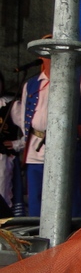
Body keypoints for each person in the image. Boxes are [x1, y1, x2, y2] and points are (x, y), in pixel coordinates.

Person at [8, 37, 81, 217]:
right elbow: (24, 119)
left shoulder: (79, 81)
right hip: (36, 151)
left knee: (69, 198)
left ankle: (72, 234)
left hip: (66, 148)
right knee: (36, 199)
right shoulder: (31, 84)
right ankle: (38, 233)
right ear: (41, 56)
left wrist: (75, 138)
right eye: (48, 53)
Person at [0, 70, 23, 217]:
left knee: (2, 193)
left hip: (2, 158)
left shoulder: (11, 104)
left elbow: (29, 129)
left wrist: (17, 144)